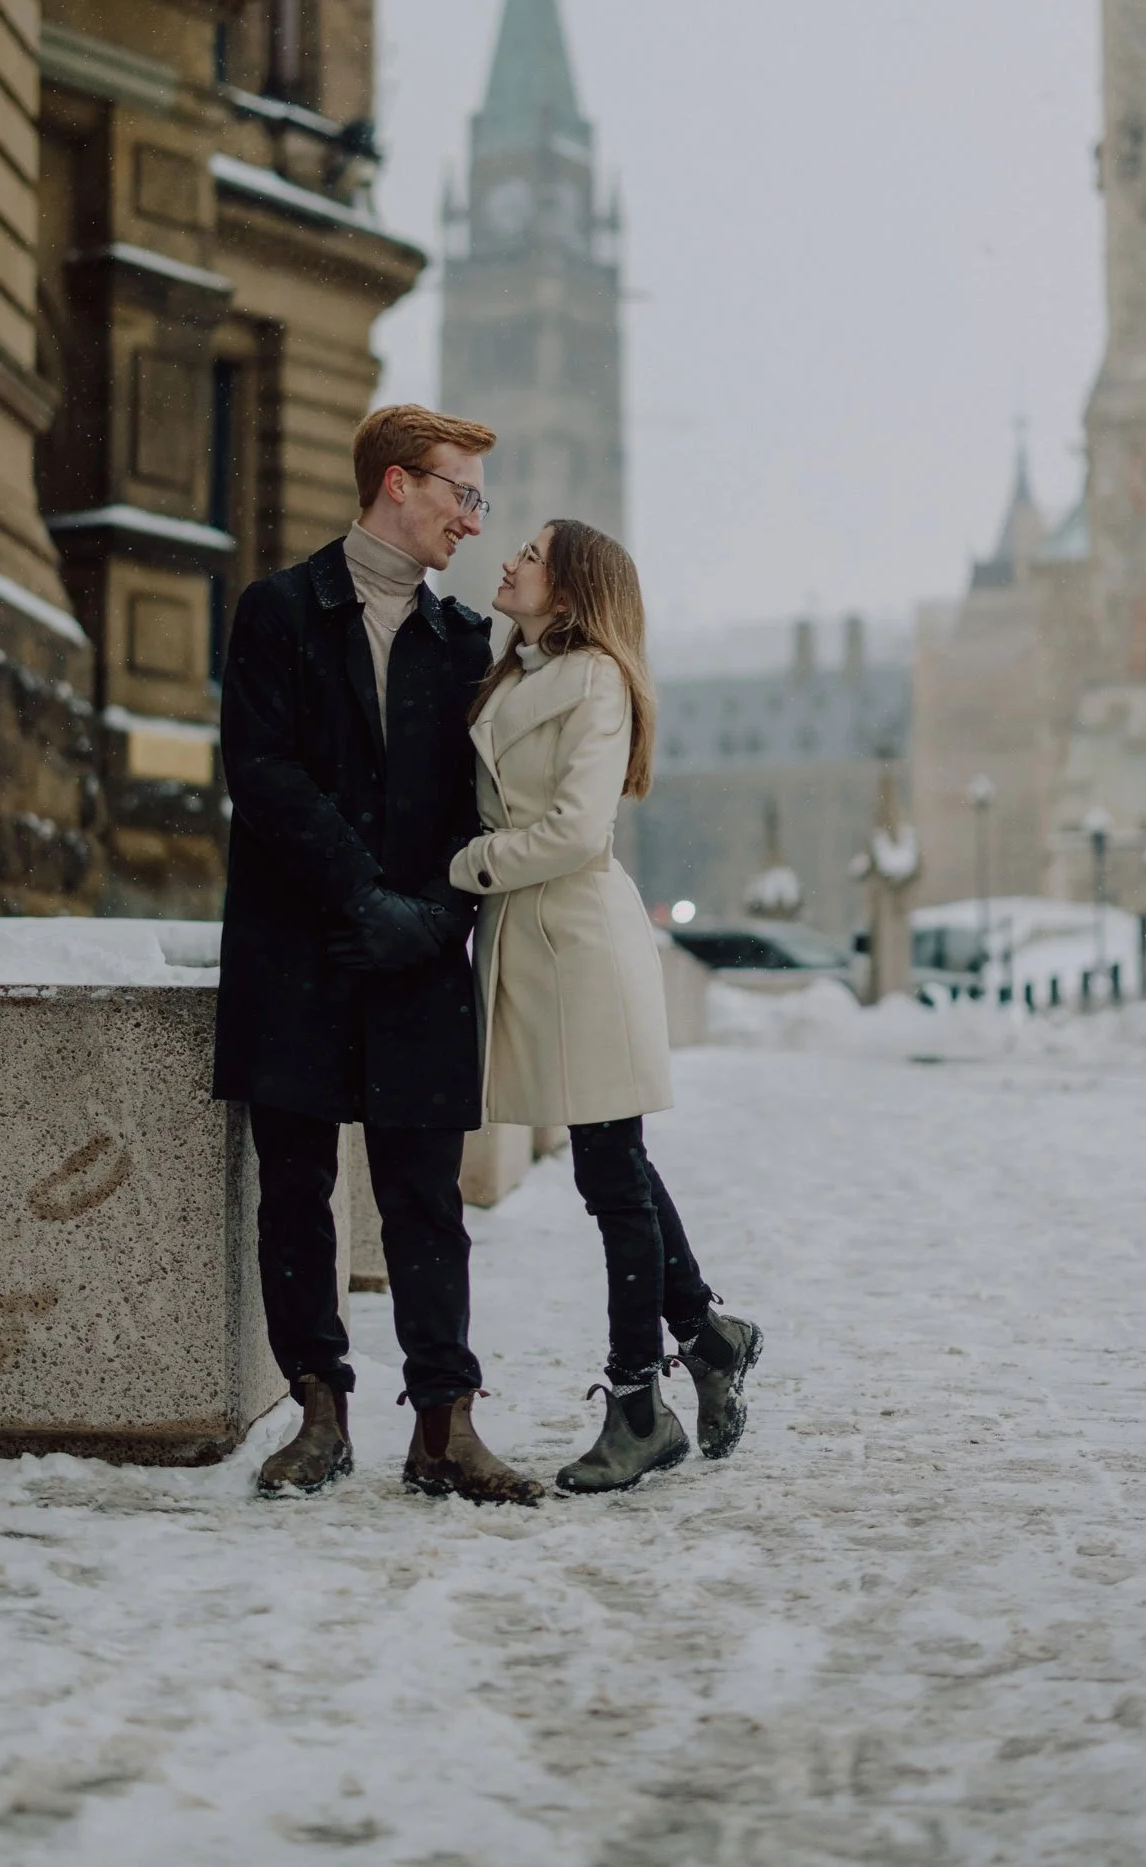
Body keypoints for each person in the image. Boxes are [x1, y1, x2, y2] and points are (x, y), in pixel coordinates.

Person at [215, 404, 544, 1505]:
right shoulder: (276, 610)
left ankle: (444, 1424)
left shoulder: (463, 646)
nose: (472, 517)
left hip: (412, 954)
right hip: (296, 949)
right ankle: (318, 1412)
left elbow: (483, 808)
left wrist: (430, 915)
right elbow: (260, 773)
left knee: (423, 1197)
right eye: (461, 491)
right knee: (297, 1188)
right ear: (397, 484)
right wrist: (362, 891)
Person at [448, 521, 763, 1494]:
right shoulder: (512, 674)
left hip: (578, 942)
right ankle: (706, 1337)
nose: (508, 559)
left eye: (533, 554)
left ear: (574, 591)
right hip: (536, 945)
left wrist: (469, 864)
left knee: (611, 1174)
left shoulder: (594, 683)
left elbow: (576, 830)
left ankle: (639, 1402)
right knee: (613, 1164)